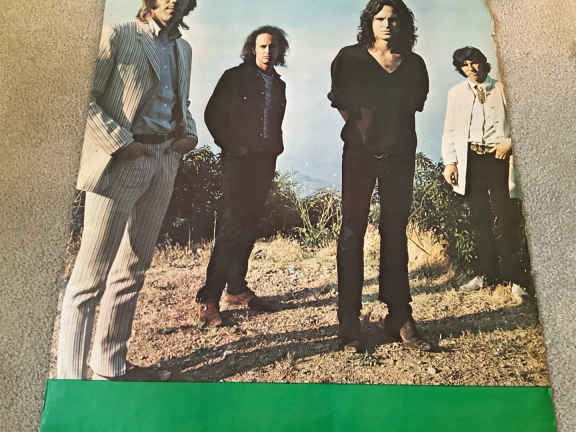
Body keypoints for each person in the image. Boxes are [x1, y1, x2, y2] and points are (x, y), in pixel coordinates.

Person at [57, 0, 198, 381]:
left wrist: (189, 134)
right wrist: (121, 144)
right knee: (89, 280)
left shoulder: (183, 49)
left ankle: (109, 365)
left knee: (133, 268)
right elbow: (82, 97)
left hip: (164, 160)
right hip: (121, 162)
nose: (173, 1)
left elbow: (181, 102)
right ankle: (71, 382)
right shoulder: (118, 36)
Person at [328, 0, 430, 351]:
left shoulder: (414, 65)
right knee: (352, 230)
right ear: (369, 22)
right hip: (359, 155)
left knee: (395, 230)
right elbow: (342, 103)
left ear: (403, 24)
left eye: (393, 19)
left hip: (400, 156)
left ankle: (399, 315)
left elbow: (409, 108)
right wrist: (365, 133)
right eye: (380, 18)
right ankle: (349, 320)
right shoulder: (349, 58)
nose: (387, 24)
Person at [195, 26, 289, 326]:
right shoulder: (234, 77)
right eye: (262, 46)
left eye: (273, 47)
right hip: (238, 162)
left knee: (250, 224)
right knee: (232, 226)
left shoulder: (279, 84)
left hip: (264, 162)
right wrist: (234, 145)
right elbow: (212, 114)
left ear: (280, 51)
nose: (268, 51)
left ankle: (236, 289)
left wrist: (275, 149)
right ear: (252, 49)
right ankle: (209, 299)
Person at [442, 46, 528, 297]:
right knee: (479, 219)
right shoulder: (456, 94)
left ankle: (515, 279)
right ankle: (486, 274)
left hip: (499, 159)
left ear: (483, 62)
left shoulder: (502, 89)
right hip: (471, 161)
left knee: (506, 218)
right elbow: (450, 130)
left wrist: (509, 143)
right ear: (460, 68)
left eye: (474, 62)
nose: (471, 68)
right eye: (465, 64)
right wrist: (450, 162)